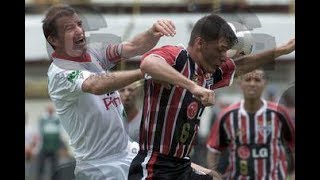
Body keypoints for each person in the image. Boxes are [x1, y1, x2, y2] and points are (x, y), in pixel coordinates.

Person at [128, 14, 295, 179]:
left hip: (181, 165)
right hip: (155, 166)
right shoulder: (177, 56)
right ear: (200, 43)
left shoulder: (209, 73)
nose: (224, 57)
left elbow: (242, 65)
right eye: (221, 49)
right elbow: (148, 63)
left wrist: (282, 50)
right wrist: (193, 87)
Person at [43, 3, 176, 179]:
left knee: (197, 173)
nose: (79, 31)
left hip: (128, 151)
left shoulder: (92, 54)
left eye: (79, 24)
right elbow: (95, 85)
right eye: (69, 28)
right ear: (53, 40)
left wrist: (152, 32)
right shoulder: (59, 73)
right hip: (99, 166)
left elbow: (131, 47)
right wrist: (145, 72)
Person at [206, 69, 295, 180]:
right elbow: (213, 150)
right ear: (240, 83)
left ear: (265, 83)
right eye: (248, 79)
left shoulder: (279, 112)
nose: (252, 84)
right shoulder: (227, 115)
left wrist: (292, 174)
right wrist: (215, 176)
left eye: (257, 80)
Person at [37, 104, 64, 180]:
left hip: (54, 147)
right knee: (40, 166)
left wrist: (61, 147)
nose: (50, 111)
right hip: (43, 147)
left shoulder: (57, 120)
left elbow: (60, 133)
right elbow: (38, 133)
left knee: (55, 166)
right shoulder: (42, 119)